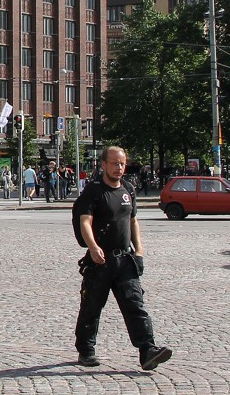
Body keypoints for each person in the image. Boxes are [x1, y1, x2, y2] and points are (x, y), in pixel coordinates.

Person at [73, 145, 172, 372]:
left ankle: (147, 350)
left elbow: (132, 221)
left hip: (125, 260)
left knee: (135, 305)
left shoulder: (128, 189)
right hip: (100, 261)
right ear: (104, 164)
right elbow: (85, 221)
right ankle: (86, 349)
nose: (119, 168)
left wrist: (139, 250)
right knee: (92, 306)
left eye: (122, 163)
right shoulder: (94, 191)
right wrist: (93, 247)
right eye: (115, 163)